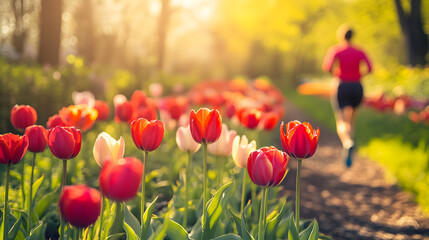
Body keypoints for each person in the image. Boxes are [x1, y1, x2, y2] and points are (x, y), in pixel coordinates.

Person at [322, 24, 372, 167]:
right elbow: (370, 67)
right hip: (357, 86)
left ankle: (347, 142)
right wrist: (360, 75)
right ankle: (349, 150)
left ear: (341, 36)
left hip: (342, 85)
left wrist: (336, 74)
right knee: (351, 121)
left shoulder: (336, 50)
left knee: (342, 121)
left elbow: (327, 67)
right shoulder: (360, 51)